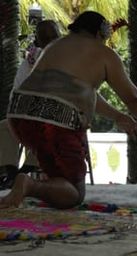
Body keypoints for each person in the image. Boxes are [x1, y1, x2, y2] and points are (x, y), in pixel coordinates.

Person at [1, 11, 137, 209]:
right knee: (75, 193)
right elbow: (134, 98)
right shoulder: (103, 53)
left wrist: (118, 116)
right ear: (99, 34)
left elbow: (80, 93)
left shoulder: (55, 46)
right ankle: (28, 185)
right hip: (55, 122)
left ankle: (35, 185)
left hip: (19, 117)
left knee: (59, 178)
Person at [0, 20, 61, 189]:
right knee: (5, 126)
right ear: (38, 41)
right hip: (31, 112)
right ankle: (12, 173)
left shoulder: (68, 57)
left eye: (53, 37)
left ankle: (25, 171)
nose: (50, 41)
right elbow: (17, 92)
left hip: (61, 115)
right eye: (45, 38)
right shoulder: (30, 61)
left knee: (45, 127)